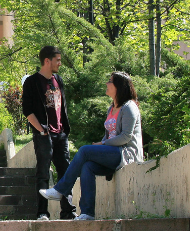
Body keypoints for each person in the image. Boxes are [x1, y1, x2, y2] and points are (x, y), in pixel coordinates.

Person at [40, 71, 143, 220]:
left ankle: (61, 189)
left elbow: (126, 137)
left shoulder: (129, 107)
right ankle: (87, 213)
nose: (107, 84)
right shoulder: (111, 108)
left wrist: (103, 143)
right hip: (113, 153)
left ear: (118, 86)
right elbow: (109, 134)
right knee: (87, 166)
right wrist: (102, 143)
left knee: (84, 150)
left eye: (110, 81)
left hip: (126, 154)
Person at [21, 46, 76, 220]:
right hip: (44, 134)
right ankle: (42, 213)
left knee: (65, 173)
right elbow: (27, 110)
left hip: (60, 134)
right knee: (43, 173)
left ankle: (68, 211)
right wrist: (41, 129)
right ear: (47, 61)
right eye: (57, 60)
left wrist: (65, 130)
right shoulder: (32, 82)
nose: (60, 63)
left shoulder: (58, 80)